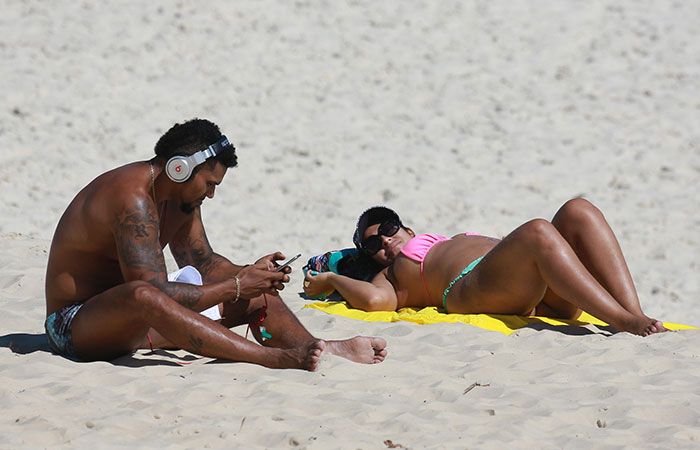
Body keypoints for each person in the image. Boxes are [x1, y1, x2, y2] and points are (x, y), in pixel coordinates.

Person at [44, 118, 387, 370]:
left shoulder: (180, 201)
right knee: (145, 294)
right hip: (75, 326)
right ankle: (272, 358)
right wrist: (236, 286)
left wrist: (253, 277)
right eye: (209, 183)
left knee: (255, 290)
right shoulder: (132, 199)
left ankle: (318, 348)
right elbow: (151, 293)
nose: (211, 194)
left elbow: (206, 263)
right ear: (179, 169)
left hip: (135, 325)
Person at [303, 200, 668, 336]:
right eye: (372, 244)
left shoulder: (440, 239)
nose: (384, 241)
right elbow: (374, 302)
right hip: (470, 289)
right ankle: (622, 322)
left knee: (578, 210)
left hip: (535, 292)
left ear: (407, 229)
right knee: (538, 231)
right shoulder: (392, 274)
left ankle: (634, 313)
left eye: (387, 230)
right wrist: (333, 278)